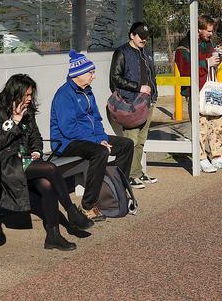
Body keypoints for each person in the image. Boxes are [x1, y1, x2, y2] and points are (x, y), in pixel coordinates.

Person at [0, 74, 95, 251]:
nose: (30, 99)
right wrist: (15, 121)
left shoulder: (28, 110)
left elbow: (36, 137)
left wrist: (37, 151)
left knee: (47, 185)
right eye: (27, 95)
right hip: (6, 163)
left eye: (31, 95)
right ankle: (72, 212)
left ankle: (53, 236)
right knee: (50, 168)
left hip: (26, 161)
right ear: (15, 93)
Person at [50, 50, 134, 220]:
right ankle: (87, 205)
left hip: (89, 138)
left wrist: (101, 137)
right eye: (91, 72)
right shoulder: (64, 95)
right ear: (78, 74)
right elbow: (69, 129)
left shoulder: (88, 91)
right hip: (66, 142)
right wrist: (98, 142)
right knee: (100, 152)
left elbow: (96, 119)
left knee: (126, 145)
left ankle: (115, 189)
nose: (93, 76)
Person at [175, 15, 222, 173]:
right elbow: (186, 68)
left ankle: (217, 156)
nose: (211, 34)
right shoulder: (183, 47)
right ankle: (201, 158)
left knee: (218, 124)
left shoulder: (207, 43)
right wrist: (206, 63)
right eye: (208, 31)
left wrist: (217, 56)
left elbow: (212, 63)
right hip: (195, 92)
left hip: (210, 89)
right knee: (200, 126)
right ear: (198, 29)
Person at [109, 22, 158, 189]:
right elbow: (115, 78)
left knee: (141, 140)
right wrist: (137, 89)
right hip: (131, 103)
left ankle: (137, 172)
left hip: (148, 102)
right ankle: (129, 175)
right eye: (140, 36)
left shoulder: (146, 52)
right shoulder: (121, 52)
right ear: (132, 35)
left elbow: (152, 75)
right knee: (132, 139)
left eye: (145, 37)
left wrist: (153, 94)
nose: (143, 40)